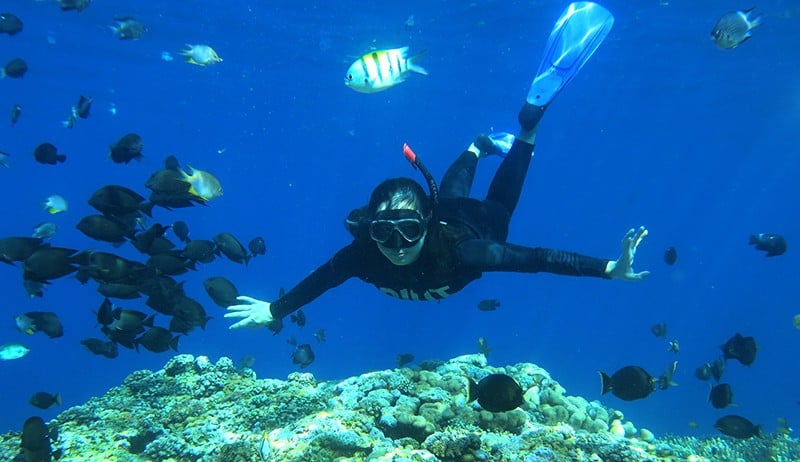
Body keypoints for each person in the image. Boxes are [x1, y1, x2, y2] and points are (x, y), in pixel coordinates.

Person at [226, 2, 649, 332]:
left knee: (496, 207)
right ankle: (478, 146)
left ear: (425, 222)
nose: (396, 244)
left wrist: (608, 269)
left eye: (408, 229)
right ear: (371, 227)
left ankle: (528, 126)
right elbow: (322, 279)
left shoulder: (466, 252)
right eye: (384, 231)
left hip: (480, 222)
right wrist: (275, 310)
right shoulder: (363, 253)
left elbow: (537, 259)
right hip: (442, 207)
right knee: (449, 195)